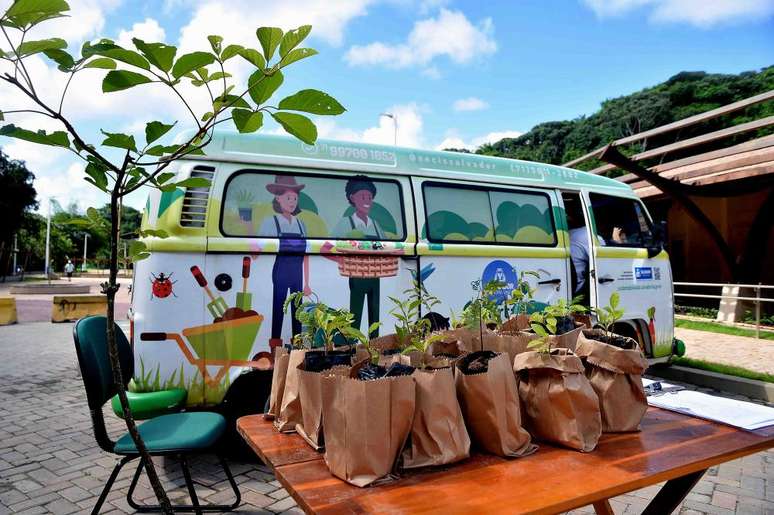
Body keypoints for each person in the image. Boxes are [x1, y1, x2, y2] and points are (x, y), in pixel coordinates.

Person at [259, 176, 312, 351]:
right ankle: (275, 349)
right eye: (288, 198)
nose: (292, 202)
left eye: (295, 198)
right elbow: (259, 249)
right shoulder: (271, 222)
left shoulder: (302, 225)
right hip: (281, 271)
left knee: (298, 310)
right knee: (278, 309)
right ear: (278, 198)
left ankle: (299, 349)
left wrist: (307, 282)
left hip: (297, 273)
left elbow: (306, 255)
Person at [333, 175, 383, 337]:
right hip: (356, 274)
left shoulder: (375, 225)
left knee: (375, 316)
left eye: (370, 197)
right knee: (354, 315)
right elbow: (329, 246)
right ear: (352, 198)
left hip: (375, 275)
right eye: (363, 196)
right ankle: (352, 348)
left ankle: (376, 347)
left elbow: (385, 247)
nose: (367, 200)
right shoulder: (345, 223)